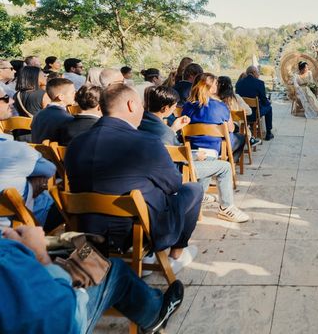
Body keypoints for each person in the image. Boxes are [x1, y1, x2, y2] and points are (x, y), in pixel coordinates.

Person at [66, 84, 202, 272]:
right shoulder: (146, 142)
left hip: (87, 227)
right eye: (141, 104)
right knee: (193, 189)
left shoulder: (76, 143)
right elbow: (174, 185)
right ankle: (174, 256)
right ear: (131, 105)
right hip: (135, 230)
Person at [0, 225, 185, 334]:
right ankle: (155, 314)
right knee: (116, 270)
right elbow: (60, 317)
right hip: (63, 317)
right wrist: (40, 257)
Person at [139, 86, 249, 222]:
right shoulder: (164, 132)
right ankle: (226, 208)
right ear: (165, 108)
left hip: (150, 171)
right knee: (224, 166)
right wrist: (196, 155)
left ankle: (200, 195)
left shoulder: (142, 123)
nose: (175, 110)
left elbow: (165, 146)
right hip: (175, 172)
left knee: (208, 156)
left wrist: (174, 129)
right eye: (173, 107)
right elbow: (176, 155)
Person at [0, 87, 59, 230]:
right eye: (6, 98)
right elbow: (50, 170)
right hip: (16, 231)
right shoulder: (16, 150)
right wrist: (32, 185)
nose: (12, 101)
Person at [183, 73, 246, 165]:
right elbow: (231, 129)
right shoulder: (220, 106)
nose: (217, 86)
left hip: (193, 146)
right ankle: (229, 164)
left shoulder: (187, 106)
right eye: (216, 84)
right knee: (241, 138)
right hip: (217, 147)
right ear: (211, 87)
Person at [30, 78, 75, 144]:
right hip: (55, 153)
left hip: (37, 152)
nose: (75, 95)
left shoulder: (38, 114)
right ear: (61, 97)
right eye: (73, 93)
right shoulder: (67, 118)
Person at [236, 65, 274, 140]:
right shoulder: (259, 83)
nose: (259, 74)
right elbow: (263, 99)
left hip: (242, 114)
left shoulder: (239, 83)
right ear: (253, 72)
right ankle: (268, 133)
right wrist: (268, 102)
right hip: (254, 113)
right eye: (258, 72)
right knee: (269, 108)